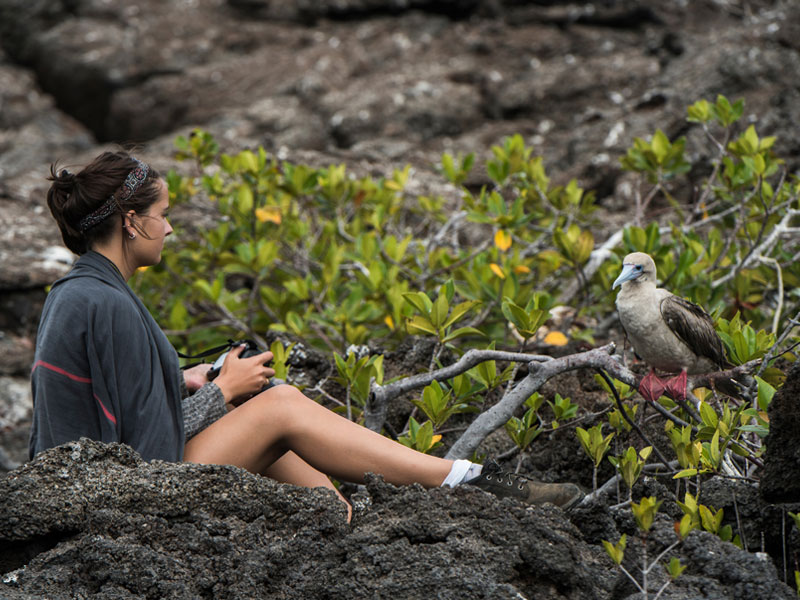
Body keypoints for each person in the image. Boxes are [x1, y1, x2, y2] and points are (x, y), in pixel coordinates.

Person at [30, 150, 584, 518]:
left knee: (293, 450)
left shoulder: (81, 292)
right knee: (279, 407)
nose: (170, 228)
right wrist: (224, 392)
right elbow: (148, 451)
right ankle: (471, 483)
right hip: (112, 502)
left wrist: (181, 381)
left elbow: (118, 411)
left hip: (88, 490)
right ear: (132, 221)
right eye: (164, 214)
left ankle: (344, 521)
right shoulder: (106, 302)